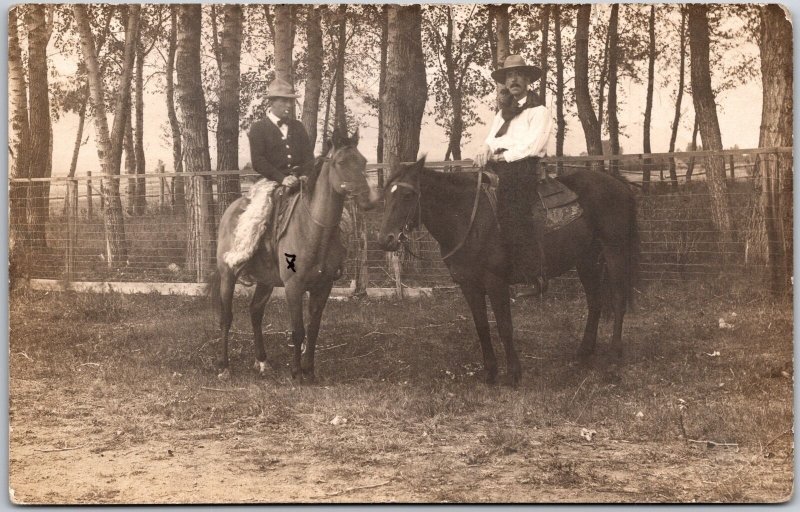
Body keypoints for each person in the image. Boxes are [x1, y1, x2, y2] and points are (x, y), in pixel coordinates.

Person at [473, 54, 553, 290]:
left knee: (512, 208)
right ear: (505, 82)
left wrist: (503, 157)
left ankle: (531, 273)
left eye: (519, 75)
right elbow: (491, 139)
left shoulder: (538, 111)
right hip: (499, 164)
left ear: (528, 80)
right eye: (509, 76)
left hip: (522, 166)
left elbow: (533, 146)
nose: (514, 80)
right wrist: (484, 150)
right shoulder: (502, 113)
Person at [223, 78, 315, 271]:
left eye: (290, 101)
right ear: (271, 102)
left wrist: (305, 174)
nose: (288, 105)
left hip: (300, 180)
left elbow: (308, 157)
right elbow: (259, 161)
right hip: (271, 181)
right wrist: (282, 178)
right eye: (283, 101)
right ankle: (244, 257)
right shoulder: (258, 128)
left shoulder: (298, 127)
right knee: (258, 212)